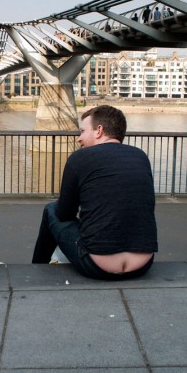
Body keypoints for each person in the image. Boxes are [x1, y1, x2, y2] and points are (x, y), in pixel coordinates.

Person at [32, 105, 158, 280]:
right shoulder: (141, 156)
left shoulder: (80, 158)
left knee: (51, 210)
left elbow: (64, 213)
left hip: (96, 265)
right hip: (142, 265)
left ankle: (36, 270)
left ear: (99, 131)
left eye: (82, 131)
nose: (79, 139)